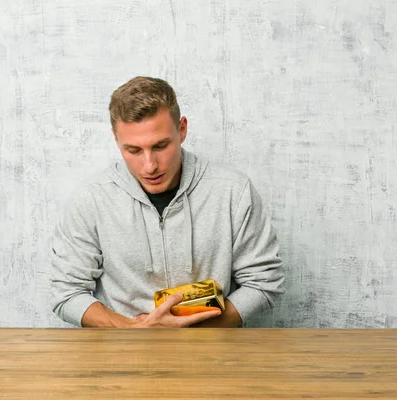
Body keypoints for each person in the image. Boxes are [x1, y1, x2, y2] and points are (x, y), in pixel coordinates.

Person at [51, 76, 284, 328]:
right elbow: (67, 294)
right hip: (123, 355)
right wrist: (137, 332)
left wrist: (190, 334)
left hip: (212, 356)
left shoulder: (233, 192)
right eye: (133, 150)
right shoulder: (90, 199)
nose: (150, 166)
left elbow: (263, 282)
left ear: (182, 129)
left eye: (161, 146)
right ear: (115, 139)